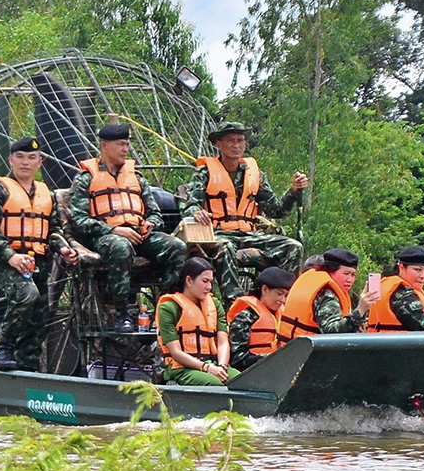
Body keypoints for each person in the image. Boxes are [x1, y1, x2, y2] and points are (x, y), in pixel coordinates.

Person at [69, 122, 187, 332]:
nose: (126, 149)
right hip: (105, 237)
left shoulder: (137, 178)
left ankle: (165, 307)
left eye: (127, 144)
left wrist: (150, 224)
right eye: (120, 145)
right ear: (104, 146)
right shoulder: (86, 179)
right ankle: (122, 314)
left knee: (177, 247)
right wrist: (113, 230)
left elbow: (155, 213)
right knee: (120, 247)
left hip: (139, 234)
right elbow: (79, 220)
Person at [0, 136, 79, 371]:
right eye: (20, 157)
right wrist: (11, 256)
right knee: (26, 295)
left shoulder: (46, 194)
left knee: (40, 314)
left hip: (38, 262)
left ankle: (28, 365)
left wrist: (63, 248)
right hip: (6, 260)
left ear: (39, 162)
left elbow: (52, 229)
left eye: (32, 158)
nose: (26, 162)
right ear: (11, 160)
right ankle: (4, 350)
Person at [183, 121, 308, 306]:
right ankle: (236, 306)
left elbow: (276, 210)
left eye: (240, 140)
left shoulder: (255, 174)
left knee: (294, 246)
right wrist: (197, 212)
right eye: (231, 140)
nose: (236, 145)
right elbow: (191, 205)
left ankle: (282, 301)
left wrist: (293, 191)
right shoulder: (204, 172)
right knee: (225, 247)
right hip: (219, 234)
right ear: (219, 144)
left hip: (250, 234)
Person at [156, 257, 238, 385]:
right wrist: (206, 367)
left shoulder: (215, 305)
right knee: (215, 384)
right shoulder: (168, 307)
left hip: (214, 364)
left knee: (242, 382)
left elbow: (223, 342)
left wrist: (222, 366)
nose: (209, 287)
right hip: (182, 368)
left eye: (211, 282)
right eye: (205, 281)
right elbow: (175, 352)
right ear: (189, 280)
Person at [281, 248, 381, 338]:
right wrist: (360, 310)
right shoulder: (325, 293)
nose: (350, 279)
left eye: (353, 275)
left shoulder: (315, 280)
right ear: (331, 270)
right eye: (346, 273)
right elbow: (331, 332)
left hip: (292, 348)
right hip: (305, 351)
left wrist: (357, 324)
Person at [227, 266, 297, 371]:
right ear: (264, 290)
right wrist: (271, 359)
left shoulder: (284, 315)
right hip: (252, 373)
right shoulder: (245, 316)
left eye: (286, 295)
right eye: (279, 294)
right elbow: (237, 359)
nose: (282, 300)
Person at [368, 246, 424, 332]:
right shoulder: (403, 294)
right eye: (417, 270)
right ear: (401, 268)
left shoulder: (390, 285)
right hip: (394, 341)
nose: (423, 276)